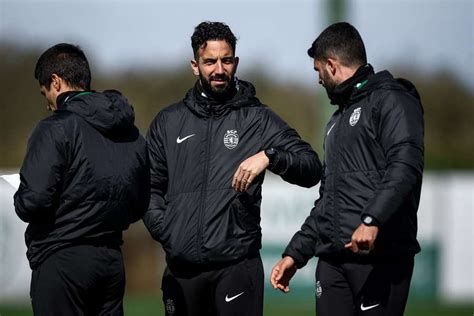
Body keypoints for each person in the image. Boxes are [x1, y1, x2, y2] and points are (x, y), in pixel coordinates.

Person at [143, 21, 322, 316]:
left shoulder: (257, 118)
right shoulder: (168, 121)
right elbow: (148, 188)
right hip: (181, 269)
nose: (219, 69)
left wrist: (271, 156)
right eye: (209, 61)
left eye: (226, 60)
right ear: (194, 65)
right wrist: (168, 230)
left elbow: (311, 167)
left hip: (236, 267)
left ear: (235, 62)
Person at [271, 22, 424, 316]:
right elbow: (327, 200)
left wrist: (372, 219)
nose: (318, 80)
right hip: (332, 261)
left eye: (318, 71)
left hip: (381, 259)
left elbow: (405, 165)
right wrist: (296, 253)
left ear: (331, 65)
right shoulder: (336, 121)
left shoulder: (392, 99)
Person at [14, 43, 150, 315]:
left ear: (56, 81)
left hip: (62, 259)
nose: (48, 104)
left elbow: (33, 202)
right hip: (111, 263)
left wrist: (19, 193)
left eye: (45, 93)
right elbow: (140, 204)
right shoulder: (131, 133)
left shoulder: (55, 128)